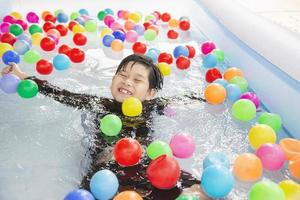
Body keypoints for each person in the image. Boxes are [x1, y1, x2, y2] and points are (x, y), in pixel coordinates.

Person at [1, 54, 208, 199]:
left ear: (150, 93)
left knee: (200, 188)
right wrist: (21, 75)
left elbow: (188, 99)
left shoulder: (153, 106)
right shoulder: (99, 104)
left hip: (150, 166)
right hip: (107, 170)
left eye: (137, 80)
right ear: (113, 78)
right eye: (122, 75)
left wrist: (207, 96)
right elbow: (61, 94)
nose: (127, 82)